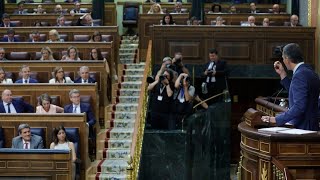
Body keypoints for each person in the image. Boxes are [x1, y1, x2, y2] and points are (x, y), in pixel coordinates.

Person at [261, 43, 320, 131]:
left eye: (283, 58)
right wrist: (282, 74)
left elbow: (299, 107)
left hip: (304, 128)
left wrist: (275, 119)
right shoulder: (308, 71)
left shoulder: (300, 75)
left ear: (287, 59)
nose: (283, 61)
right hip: (310, 125)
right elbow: (297, 93)